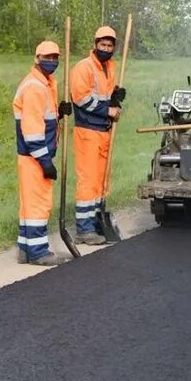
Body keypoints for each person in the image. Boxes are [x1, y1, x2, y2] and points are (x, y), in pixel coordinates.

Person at [13, 40, 72, 266]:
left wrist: (59, 114)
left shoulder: (44, 83)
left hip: (32, 155)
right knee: (38, 204)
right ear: (37, 59)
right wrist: (45, 161)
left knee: (29, 203)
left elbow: (42, 119)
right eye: (47, 57)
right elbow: (32, 129)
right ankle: (38, 252)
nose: (52, 61)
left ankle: (25, 249)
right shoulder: (34, 87)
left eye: (55, 58)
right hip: (34, 156)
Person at [70, 26, 125, 245]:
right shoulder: (84, 67)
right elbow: (81, 98)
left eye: (110, 45)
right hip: (88, 131)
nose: (106, 48)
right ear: (95, 45)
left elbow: (105, 94)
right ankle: (84, 229)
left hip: (104, 130)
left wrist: (115, 99)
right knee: (88, 180)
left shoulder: (110, 66)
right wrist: (107, 109)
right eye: (102, 45)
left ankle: (95, 223)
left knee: (101, 181)